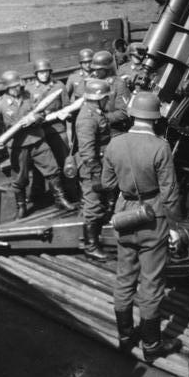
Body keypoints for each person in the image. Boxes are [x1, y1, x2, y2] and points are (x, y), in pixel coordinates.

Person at [101, 92, 181, 360]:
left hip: (124, 216)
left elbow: (108, 184)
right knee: (151, 282)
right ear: (155, 118)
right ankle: (151, 346)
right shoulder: (161, 147)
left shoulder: (114, 144)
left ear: (133, 114)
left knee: (124, 277)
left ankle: (125, 337)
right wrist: (174, 226)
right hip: (154, 217)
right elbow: (170, 193)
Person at [0, 70, 75, 219]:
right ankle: (21, 207)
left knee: (53, 170)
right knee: (19, 179)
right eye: (13, 86)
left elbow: (42, 113)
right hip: (18, 146)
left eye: (18, 86)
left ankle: (60, 199)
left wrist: (35, 119)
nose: (17, 89)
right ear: (7, 87)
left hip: (38, 141)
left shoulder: (29, 96)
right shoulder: (0, 103)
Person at [75, 79, 113, 261]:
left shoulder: (95, 113)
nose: (108, 101)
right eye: (106, 98)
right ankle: (91, 247)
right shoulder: (87, 118)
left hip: (100, 166)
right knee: (93, 205)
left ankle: (94, 240)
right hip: (92, 170)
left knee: (99, 203)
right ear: (98, 98)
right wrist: (97, 175)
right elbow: (87, 152)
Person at [90, 50, 130, 136]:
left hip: (113, 130)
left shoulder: (119, 84)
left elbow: (123, 112)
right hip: (94, 128)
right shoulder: (93, 82)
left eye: (99, 69)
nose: (95, 72)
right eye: (94, 69)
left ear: (107, 69)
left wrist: (103, 118)